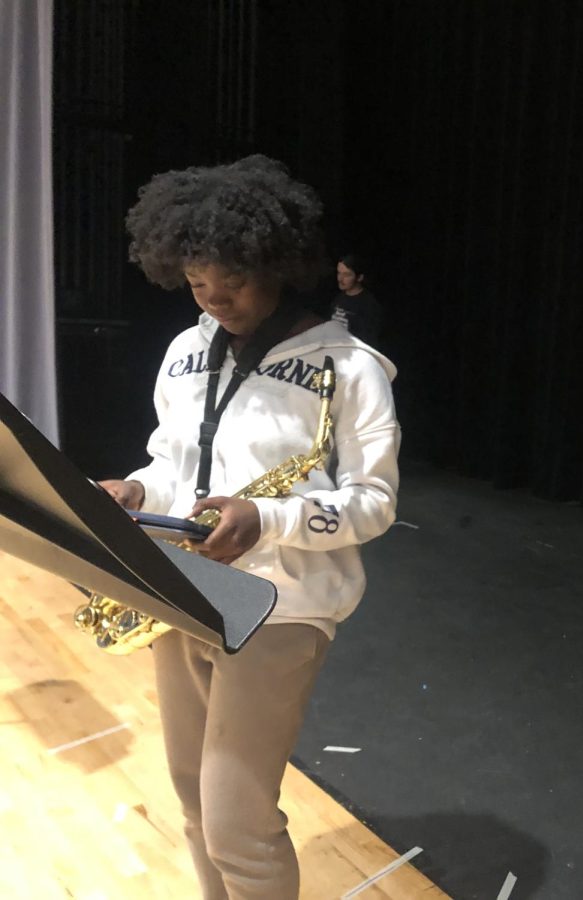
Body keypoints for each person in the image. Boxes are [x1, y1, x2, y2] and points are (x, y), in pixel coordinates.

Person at [99, 155, 401, 900]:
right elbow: (172, 459)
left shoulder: (351, 368)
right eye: (196, 283)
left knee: (237, 821)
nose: (212, 298)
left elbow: (375, 502)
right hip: (188, 585)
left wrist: (267, 517)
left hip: (284, 607)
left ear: (273, 262)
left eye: (228, 280)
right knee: (194, 803)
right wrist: (137, 490)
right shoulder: (185, 352)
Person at [330, 252, 383, 345]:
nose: (340, 279)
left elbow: (369, 339)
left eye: (346, 275)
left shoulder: (369, 304)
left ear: (359, 277)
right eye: (339, 273)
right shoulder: (338, 298)